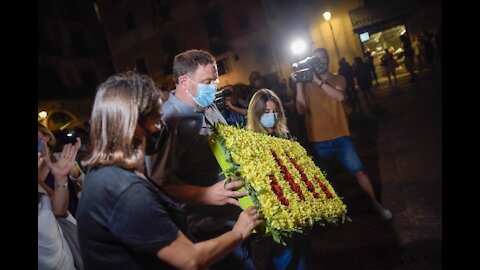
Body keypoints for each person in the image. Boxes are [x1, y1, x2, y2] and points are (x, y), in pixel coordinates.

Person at [76, 71, 263, 269]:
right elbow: (190, 260)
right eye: (156, 121)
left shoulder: (104, 173)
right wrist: (239, 232)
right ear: (130, 123)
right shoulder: (126, 191)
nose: (159, 129)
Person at [145, 49, 259, 270]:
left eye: (214, 80)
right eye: (207, 81)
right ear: (184, 81)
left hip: (236, 216)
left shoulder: (209, 105)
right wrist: (204, 194)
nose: (214, 86)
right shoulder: (167, 123)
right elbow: (158, 184)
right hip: (207, 228)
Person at [292, 48, 393, 221]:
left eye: (322, 58)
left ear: (328, 60)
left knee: (359, 171)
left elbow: (339, 96)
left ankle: (375, 203)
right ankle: (333, 212)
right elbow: (300, 110)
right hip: (318, 140)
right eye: (315, 60)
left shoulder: (338, 78)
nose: (319, 62)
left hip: (341, 136)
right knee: (325, 179)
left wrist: (316, 80)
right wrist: (299, 83)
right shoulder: (306, 84)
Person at [246, 88, 311, 270]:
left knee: (303, 249)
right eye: (266, 112)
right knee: (285, 255)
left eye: (275, 111)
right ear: (256, 113)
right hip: (276, 211)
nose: (272, 115)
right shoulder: (250, 142)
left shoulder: (283, 135)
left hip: (296, 206)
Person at [38, 137, 83, 270]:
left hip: (65, 257)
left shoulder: (57, 158)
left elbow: (58, 211)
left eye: (40, 141)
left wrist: (60, 178)